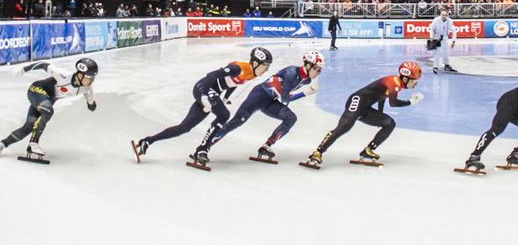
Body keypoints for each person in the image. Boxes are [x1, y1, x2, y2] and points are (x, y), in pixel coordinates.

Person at [133, 47, 272, 160]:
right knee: (224, 114)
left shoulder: (252, 74)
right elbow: (211, 76)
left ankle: (147, 141)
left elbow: (234, 83)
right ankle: (202, 150)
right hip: (203, 88)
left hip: (212, 93)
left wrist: (224, 99)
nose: (266, 70)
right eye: (265, 66)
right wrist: (205, 95)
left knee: (184, 127)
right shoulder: (239, 68)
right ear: (255, 63)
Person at [191, 50, 322, 166]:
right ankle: (203, 149)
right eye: (317, 69)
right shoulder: (291, 73)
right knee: (236, 122)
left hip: (270, 101)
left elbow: (283, 97)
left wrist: (305, 91)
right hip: (259, 95)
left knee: (291, 118)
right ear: (308, 65)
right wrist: (305, 93)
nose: (318, 73)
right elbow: (285, 99)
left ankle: (267, 146)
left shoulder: (306, 80)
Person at [301, 60, 422, 169]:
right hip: (357, 100)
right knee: (343, 128)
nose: (415, 84)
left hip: (365, 108)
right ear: (405, 79)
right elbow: (393, 103)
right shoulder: (393, 83)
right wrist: (410, 102)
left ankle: (368, 150)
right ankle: (317, 153)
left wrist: (380, 114)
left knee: (389, 123)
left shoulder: (397, 84)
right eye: (414, 81)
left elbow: (383, 96)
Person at [0, 57, 98, 164]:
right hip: (36, 90)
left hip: (45, 101)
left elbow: (91, 104)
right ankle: (33, 143)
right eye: (89, 77)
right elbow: (43, 64)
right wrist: (22, 70)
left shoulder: (87, 89)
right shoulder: (63, 75)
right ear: (80, 74)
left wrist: (91, 104)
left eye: (93, 78)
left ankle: (0, 145)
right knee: (48, 110)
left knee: (29, 126)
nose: (91, 81)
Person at [427, 9, 457, 73]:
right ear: (440, 15)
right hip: (437, 37)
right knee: (437, 53)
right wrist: (431, 37)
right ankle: (435, 67)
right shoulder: (436, 20)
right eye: (443, 15)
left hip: (444, 37)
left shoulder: (449, 21)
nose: (444, 16)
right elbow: (432, 29)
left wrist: (453, 41)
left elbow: (454, 31)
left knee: (446, 52)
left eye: (446, 15)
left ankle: (446, 65)